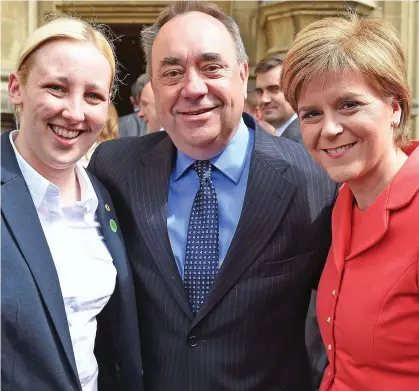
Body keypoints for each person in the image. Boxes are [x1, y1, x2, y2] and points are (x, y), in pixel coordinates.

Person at [89, 2, 337, 390]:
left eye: (211, 67)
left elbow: (340, 309)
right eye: (172, 73)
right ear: (153, 87)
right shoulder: (114, 169)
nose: (193, 88)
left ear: (242, 75)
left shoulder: (314, 176)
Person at [1, 16, 144, 391]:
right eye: (56, 88)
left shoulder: (105, 197)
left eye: (93, 96)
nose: (75, 112)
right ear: (17, 88)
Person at [281, 13, 419, 391]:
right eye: (311, 113)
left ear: (394, 107)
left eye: (349, 105)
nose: (329, 129)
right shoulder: (343, 202)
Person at [255, 54, 303, 143]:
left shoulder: (302, 142)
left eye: (274, 89)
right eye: (260, 92)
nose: (264, 99)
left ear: (295, 90)